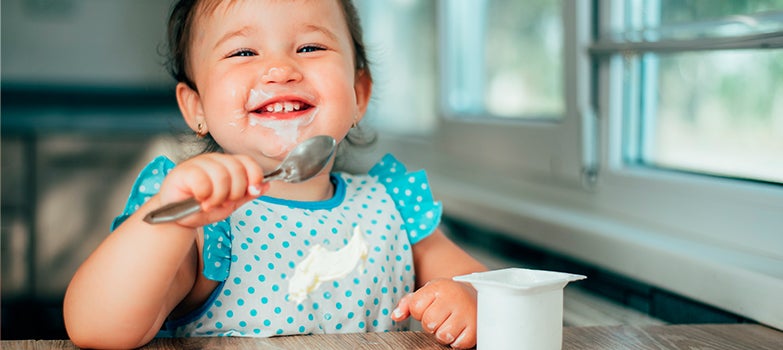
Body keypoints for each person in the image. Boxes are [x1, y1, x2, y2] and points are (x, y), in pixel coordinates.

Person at [63, 0, 486, 348]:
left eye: (310, 47)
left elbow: (489, 291)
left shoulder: (392, 205)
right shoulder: (202, 222)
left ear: (359, 94)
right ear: (196, 107)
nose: (280, 69)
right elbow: (97, 327)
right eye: (243, 52)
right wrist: (172, 218)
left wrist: (470, 298)